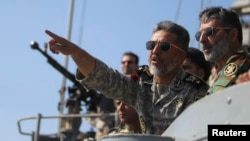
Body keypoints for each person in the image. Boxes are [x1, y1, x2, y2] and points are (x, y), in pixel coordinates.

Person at [45, 20, 208, 135]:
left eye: (164, 46)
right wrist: (75, 51)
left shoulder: (198, 92)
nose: (155, 51)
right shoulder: (141, 85)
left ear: (180, 56)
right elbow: (103, 77)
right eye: (151, 45)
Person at [195, 6, 250, 94]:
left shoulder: (247, 65)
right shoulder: (212, 76)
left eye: (209, 32)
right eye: (199, 35)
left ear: (232, 35)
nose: (201, 40)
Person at [108, 51, 142, 134]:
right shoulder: (115, 85)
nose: (126, 64)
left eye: (130, 62)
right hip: (121, 127)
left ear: (137, 65)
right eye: (123, 62)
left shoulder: (144, 84)